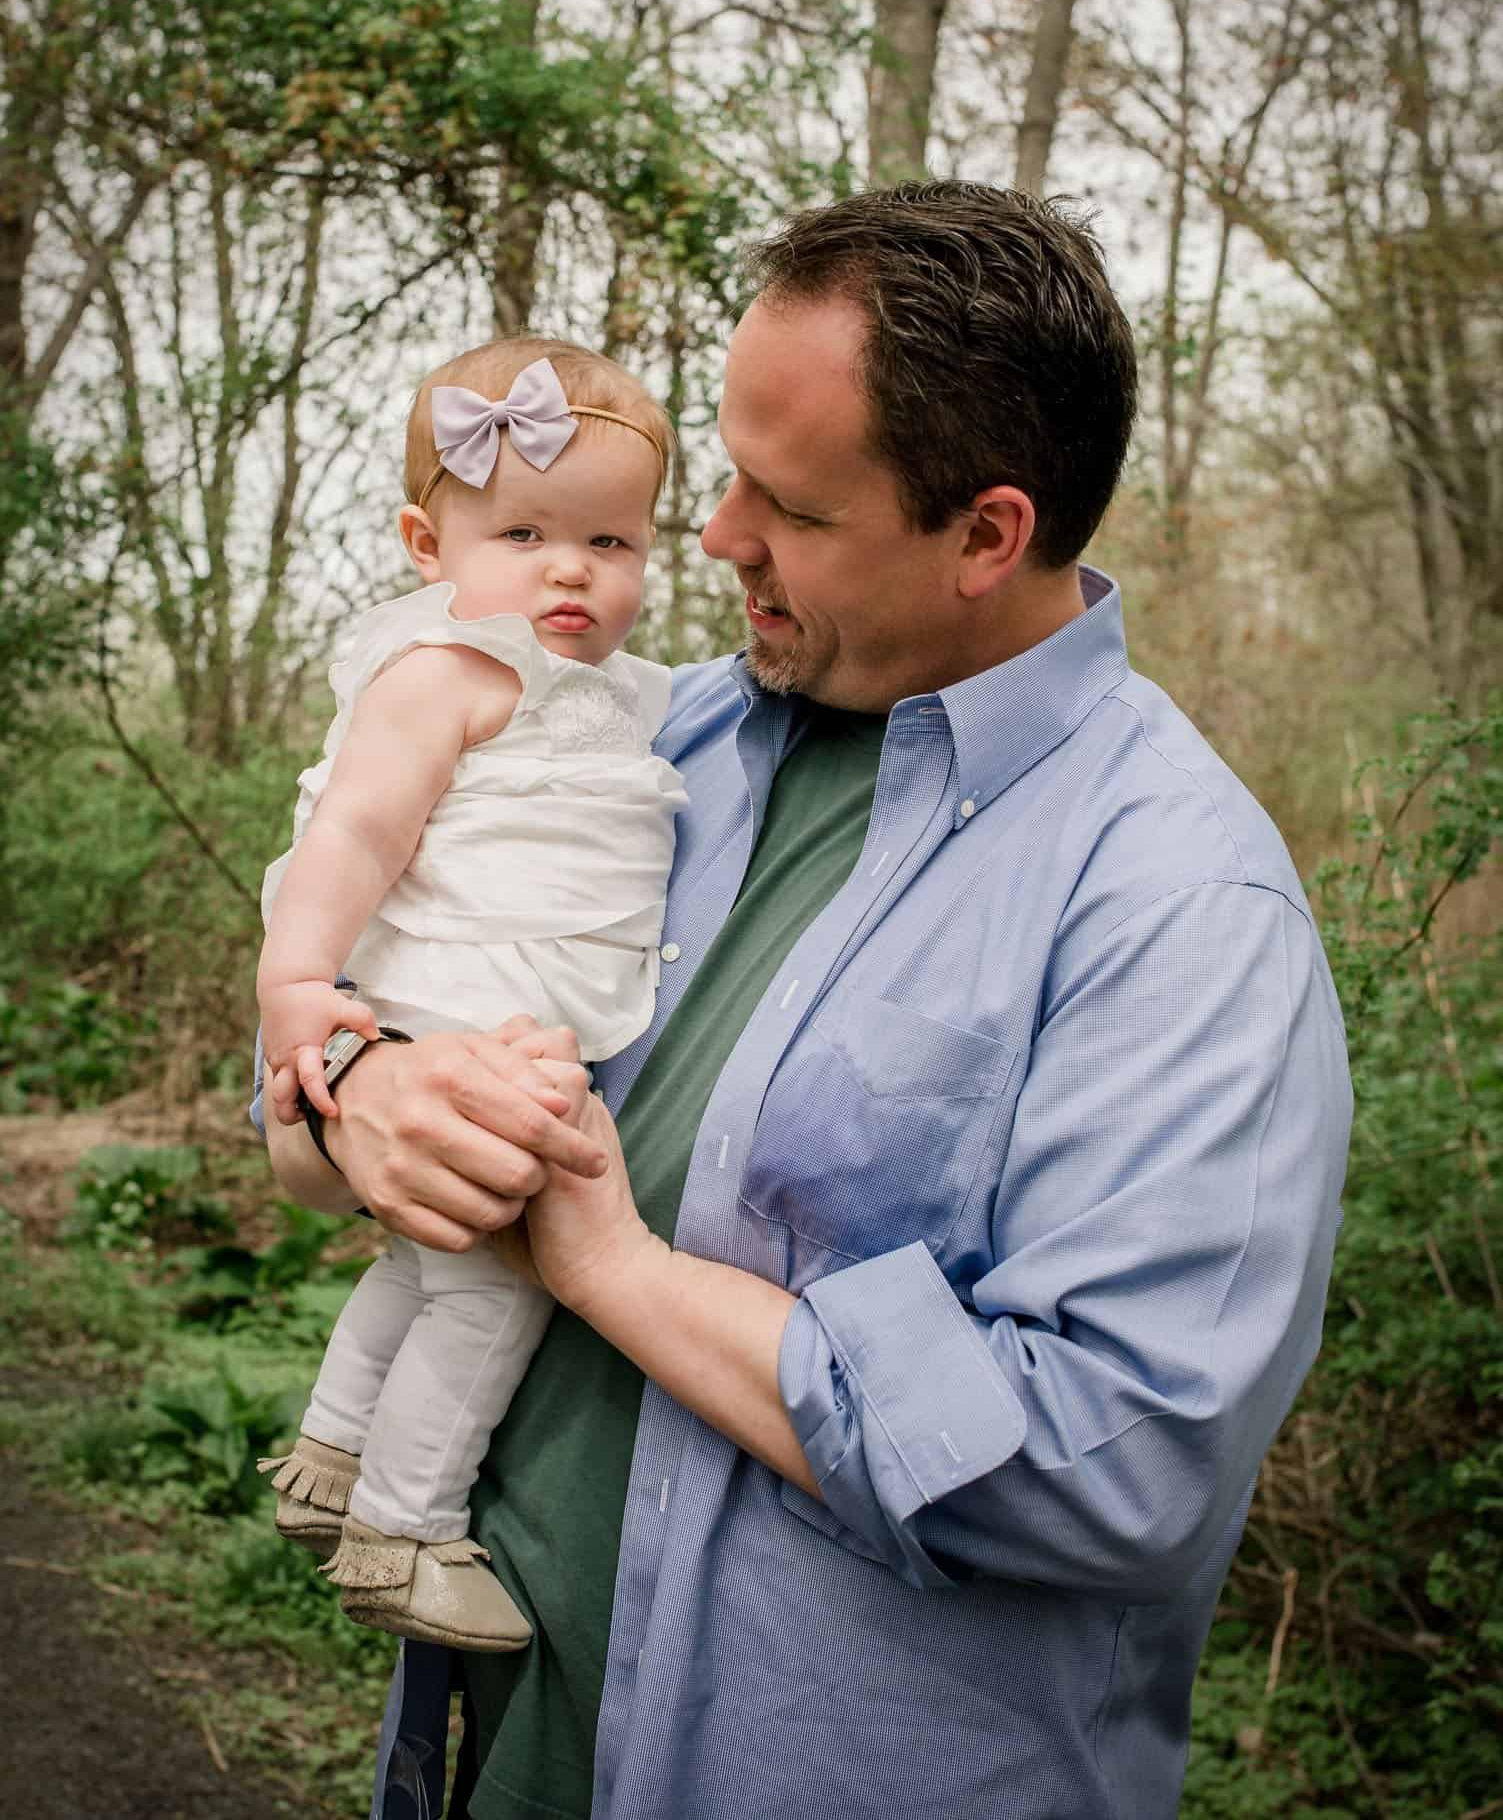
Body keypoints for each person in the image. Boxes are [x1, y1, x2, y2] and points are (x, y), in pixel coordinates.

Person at [259, 180, 1352, 1820]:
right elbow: (307, 1090)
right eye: (724, 477)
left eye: (791, 507)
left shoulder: (1178, 905)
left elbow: (1121, 1466)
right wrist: (364, 1084)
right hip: (485, 1758)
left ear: (988, 533)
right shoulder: (640, 742)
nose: (712, 541)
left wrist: (616, 1268)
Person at [255, 336, 685, 1654]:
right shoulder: (441, 672)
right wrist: (295, 982)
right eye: (524, 533)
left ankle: (328, 1458)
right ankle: (400, 1527)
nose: (571, 569)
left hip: (514, 1007)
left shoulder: (611, 700)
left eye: (612, 543)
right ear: (426, 546)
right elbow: (355, 838)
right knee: (502, 1280)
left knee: (427, 1262)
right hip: (452, 1009)